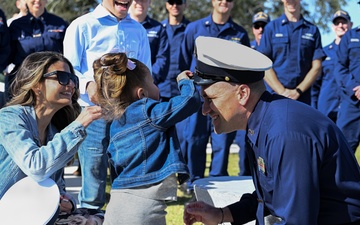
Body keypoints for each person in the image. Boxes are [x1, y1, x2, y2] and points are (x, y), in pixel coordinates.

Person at [183, 36, 360, 225]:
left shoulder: (283, 133)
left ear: (243, 94)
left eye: (211, 99)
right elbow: (269, 196)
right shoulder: (264, 121)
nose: (205, 110)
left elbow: (296, 220)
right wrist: (221, 214)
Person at [63, 0, 152, 215]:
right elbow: (68, 68)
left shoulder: (138, 30)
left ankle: (125, 216)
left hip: (129, 115)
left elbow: (145, 71)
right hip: (94, 115)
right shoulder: (82, 25)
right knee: (93, 170)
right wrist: (87, 84)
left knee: (128, 170)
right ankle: (89, 215)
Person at [93, 52, 201, 224]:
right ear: (142, 94)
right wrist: (184, 81)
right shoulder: (147, 111)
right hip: (142, 209)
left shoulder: (115, 124)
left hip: (117, 204)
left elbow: (115, 168)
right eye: (153, 83)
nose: (157, 87)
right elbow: (189, 101)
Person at [0, 51, 101, 223]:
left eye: (73, 79)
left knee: (104, 217)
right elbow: (36, 167)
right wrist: (78, 125)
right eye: (62, 77)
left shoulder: (54, 129)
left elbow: (56, 186)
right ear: (36, 83)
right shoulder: (9, 117)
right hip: (7, 214)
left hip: (32, 213)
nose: (71, 84)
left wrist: (67, 200)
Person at [179, 0, 250, 194]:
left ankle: (218, 185)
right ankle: (195, 184)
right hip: (199, 98)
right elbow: (184, 63)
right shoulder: (194, 29)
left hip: (226, 100)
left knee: (223, 140)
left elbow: (245, 67)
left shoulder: (239, 34)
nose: (224, 2)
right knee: (195, 139)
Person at [257, 0, 325, 105]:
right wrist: (282, 92)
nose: (291, 1)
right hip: (275, 98)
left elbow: (317, 66)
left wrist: (298, 91)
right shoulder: (271, 28)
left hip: (302, 98)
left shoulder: (312, 30)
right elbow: (263, 63)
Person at [6, 0, 68, 102]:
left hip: (53, 82)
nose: (37, 1)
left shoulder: (59, 24)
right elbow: (8, 55)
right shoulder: (16, 25)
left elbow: (68, 55)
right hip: (24, 83)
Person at [311, 10, 352, 123]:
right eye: (337, 23)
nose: (340, 26)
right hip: (327, 107)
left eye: (343, 22)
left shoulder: (356, 52)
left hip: (349, 107)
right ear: (333, 27)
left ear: (350, 25)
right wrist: (313, 108)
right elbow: (315, 85)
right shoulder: (323, 53)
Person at [129, 0, 170, 92]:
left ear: (149, 2)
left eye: (144, 0)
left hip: (148, 86)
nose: (140, 4)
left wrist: (147, 80)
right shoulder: (120, 26)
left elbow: (162, 59)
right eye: (136, 0)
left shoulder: (158, 28)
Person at [334, 7, 360, 154]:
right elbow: (339, 67)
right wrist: (355, 87)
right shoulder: (350, 36)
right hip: (352, 103)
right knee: (344, 151)